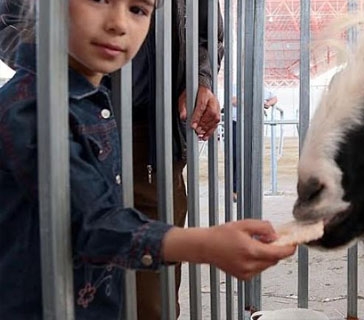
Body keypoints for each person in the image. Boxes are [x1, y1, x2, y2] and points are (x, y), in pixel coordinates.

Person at [0, 1, 297, 319]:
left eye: (139, 9)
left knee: (148, 298)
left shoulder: (88, 101)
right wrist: (206, 244)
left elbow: (206, 32)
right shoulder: (34, 111)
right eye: (99, 0)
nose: (119, 23)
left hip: (155, 137)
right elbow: (93, 223)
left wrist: (198, 78)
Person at [230, 87, 278, 201]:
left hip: (252, 123)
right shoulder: (234, 85)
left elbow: (274, 98)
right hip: (236, 123)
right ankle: (235, 190)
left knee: (251, 155)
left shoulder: (259, 86)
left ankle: (249, 188)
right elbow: (233, 101)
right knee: (236, 156)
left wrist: (266, 103)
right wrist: (256, 101)